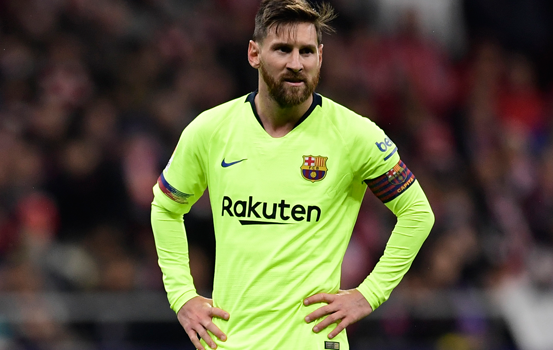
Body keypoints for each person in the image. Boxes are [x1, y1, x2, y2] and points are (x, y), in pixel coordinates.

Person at [150, 0, 435, 349]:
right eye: (282, 50)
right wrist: (182, 296)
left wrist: (368, 294)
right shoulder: (210, 130)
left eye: (307, 51)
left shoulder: (355, 135)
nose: (296, 64)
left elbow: (418, 213)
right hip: (230, 342)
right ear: (254, 54)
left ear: (320, 57)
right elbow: (165, 207)